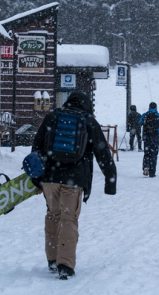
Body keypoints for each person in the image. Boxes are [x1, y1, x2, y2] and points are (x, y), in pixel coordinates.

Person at [30, 91, 117, 280]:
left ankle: (53, 259)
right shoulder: (87, 121)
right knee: (69, 219)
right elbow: (103, 153)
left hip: (50, 178)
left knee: (53, 215)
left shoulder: (52, 117)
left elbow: (37, 147)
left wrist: (36, 179)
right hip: (75, 179)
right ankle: (65, 265)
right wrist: (111, 181)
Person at [139, 102, 159, 177]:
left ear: (149, 107)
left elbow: (140, 122)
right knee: (154, 154)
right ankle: (152, 172)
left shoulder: (145, 115)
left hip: (146, 136)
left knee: (146, 153)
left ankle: (146, 166)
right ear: (156, 108)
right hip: (155, 137)